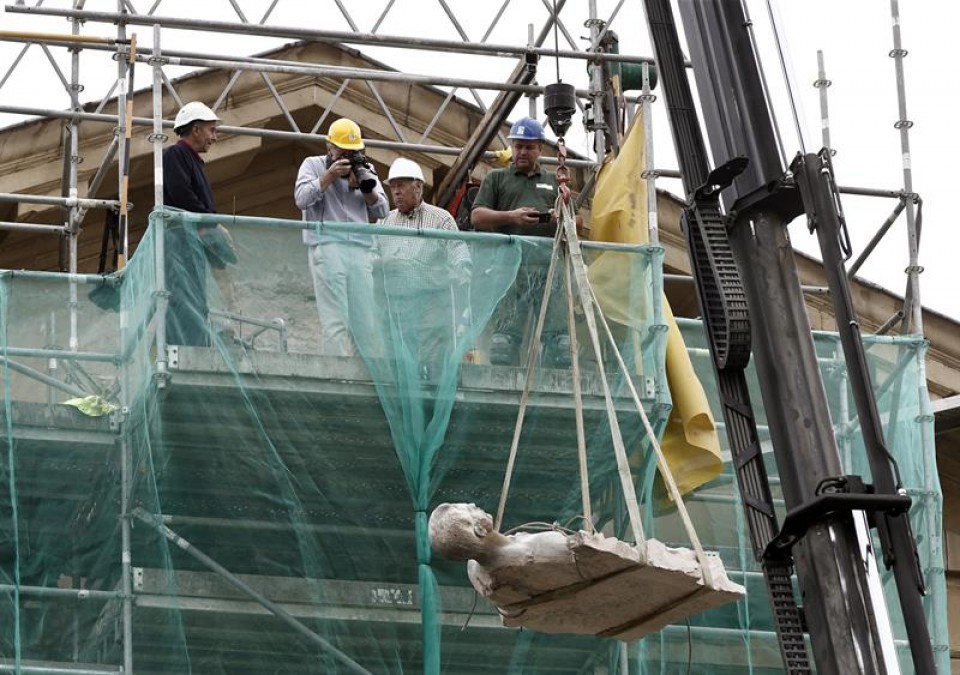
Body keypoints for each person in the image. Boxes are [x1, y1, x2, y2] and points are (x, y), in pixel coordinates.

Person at [470, 116, 570, 367]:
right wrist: (511, 216)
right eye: (518, 146)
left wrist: (559, 218)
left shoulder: (553, 182)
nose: (522, 151)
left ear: (540, 149)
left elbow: (578, 221)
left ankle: (554, 378)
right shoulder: (497, 178)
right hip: (509, 266)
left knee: (559, 344)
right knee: (504, 344)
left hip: (547, 267)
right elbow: (477, 216)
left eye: (529, 146)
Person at [295, 118, 389, 356]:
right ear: (330, 147)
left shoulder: (365, 170)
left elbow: (383, 211)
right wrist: (328, 177)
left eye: (354, 152)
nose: (348, 157)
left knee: (366, 322)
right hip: (328, 246)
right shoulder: (313, 165)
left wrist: (367, 191)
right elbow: (301, 199)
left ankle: (366, 378)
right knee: (335, 320)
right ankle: (337, 376)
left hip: (360, 249)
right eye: (343, 151)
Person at [378, 158, 471, 371]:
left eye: (401, 185)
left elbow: (457, 249)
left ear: (418, 186)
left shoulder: (441, 219)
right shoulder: (384, 221)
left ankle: (429, 397)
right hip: (395, 303)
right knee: (398, 359)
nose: (396, 192)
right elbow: (372, 252)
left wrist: (463, 268)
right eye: (393, 187)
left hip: (431, 302)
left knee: (432, 358)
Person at [163, 100, 235, 347]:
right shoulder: (176, 154)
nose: (214, 137)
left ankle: (195, 343)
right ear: (196, 129)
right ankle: (184, 347)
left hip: (188, 240)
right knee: (186, 297)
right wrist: (210, 222)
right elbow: (180, 193)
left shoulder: (189, 159)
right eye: (211, 130)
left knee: (195, 296)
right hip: (181, 240)